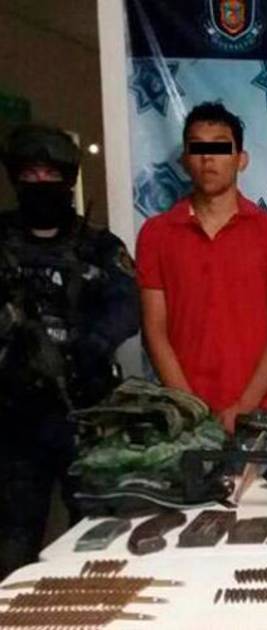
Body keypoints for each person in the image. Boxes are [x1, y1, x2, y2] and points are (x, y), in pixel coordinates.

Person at [0, 124, 138, 577]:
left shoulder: (98, 246)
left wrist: (93, 342)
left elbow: (128, 305)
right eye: (30, 174)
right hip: (15, 421)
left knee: (96, 540)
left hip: (85, 413)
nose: (40, 183)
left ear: (68, 178)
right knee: (14, 541)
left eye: (50, 175)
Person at [136, 102, 267, 432]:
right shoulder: (156, 234)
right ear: (185, 160)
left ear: (241, 159)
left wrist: (245, 406)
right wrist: (189, 408)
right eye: (198, 148)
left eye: (220, 147)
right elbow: (154, 329)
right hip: (184, 417)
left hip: (260, 413)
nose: (208, 158)